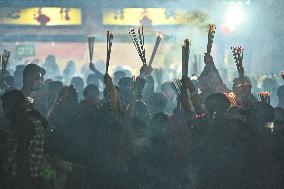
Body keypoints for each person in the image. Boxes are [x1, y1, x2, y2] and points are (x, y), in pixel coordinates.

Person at [1, 90, 47, 189]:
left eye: (5, 106)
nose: (3, 111)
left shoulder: (24, 123)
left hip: (25, 178)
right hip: (30, 176)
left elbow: (21, 153)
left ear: (12, 107)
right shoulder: (28, 117)